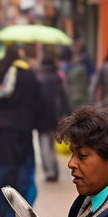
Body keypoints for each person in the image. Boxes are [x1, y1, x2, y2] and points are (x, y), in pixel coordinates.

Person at [0, 44, 41, 217]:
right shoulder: (29, 74)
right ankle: (17, 212)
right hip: (23, 129)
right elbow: (37, 101)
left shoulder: (0, 74)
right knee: (21, 172)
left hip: (4, 130)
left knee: (5, 173)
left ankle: (5, 213)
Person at [34, 48, 69, 182]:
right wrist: (66, 114)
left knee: (44, 144)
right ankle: (54, 169)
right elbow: (64, 98)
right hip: (55, 117)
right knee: (52, 145)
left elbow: (35, 100)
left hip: (41, 118)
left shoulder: (38, 78)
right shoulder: (57, 78)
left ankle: (49, 171)